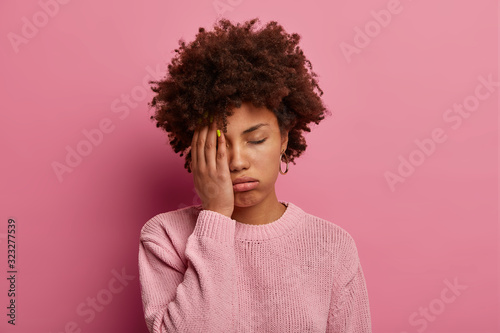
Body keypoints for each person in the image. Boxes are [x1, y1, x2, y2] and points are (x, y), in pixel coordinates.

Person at [138, 17, 372, 332]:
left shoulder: (332, 246)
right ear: (195, 147)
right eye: (219, 144)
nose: (237, 161)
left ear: (284, 138)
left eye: (256, 139)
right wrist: (216, 215)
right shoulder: (165, 237)